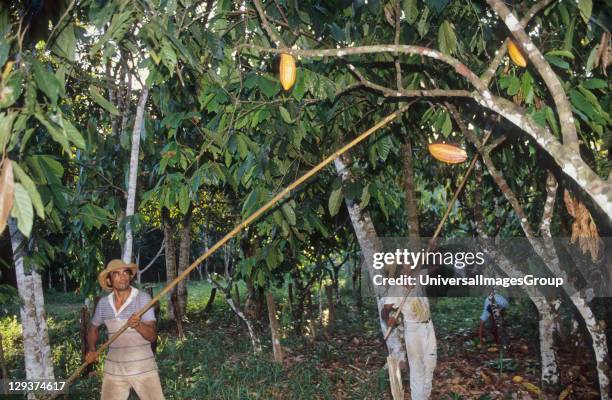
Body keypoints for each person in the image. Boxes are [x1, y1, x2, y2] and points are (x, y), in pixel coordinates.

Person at [86, 259, 165, 400]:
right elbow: (93, 328)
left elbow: (152, 336)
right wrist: (92, 349)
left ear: (130, 276)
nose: (122, 277)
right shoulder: (104, 303)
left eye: (125, 273)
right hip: (114, 368)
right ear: (109, 280)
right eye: (116, 274)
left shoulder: (143, 299)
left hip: (143, 366)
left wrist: (138, 325)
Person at [382, 287, 436, 400]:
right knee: (417, 367)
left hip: (428, 325)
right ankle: (418, 398)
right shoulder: (395, 289)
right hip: (413, 328)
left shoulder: (418, 277)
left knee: (431, 363)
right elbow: (385, 310)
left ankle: (425, 396)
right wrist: (388, 319)